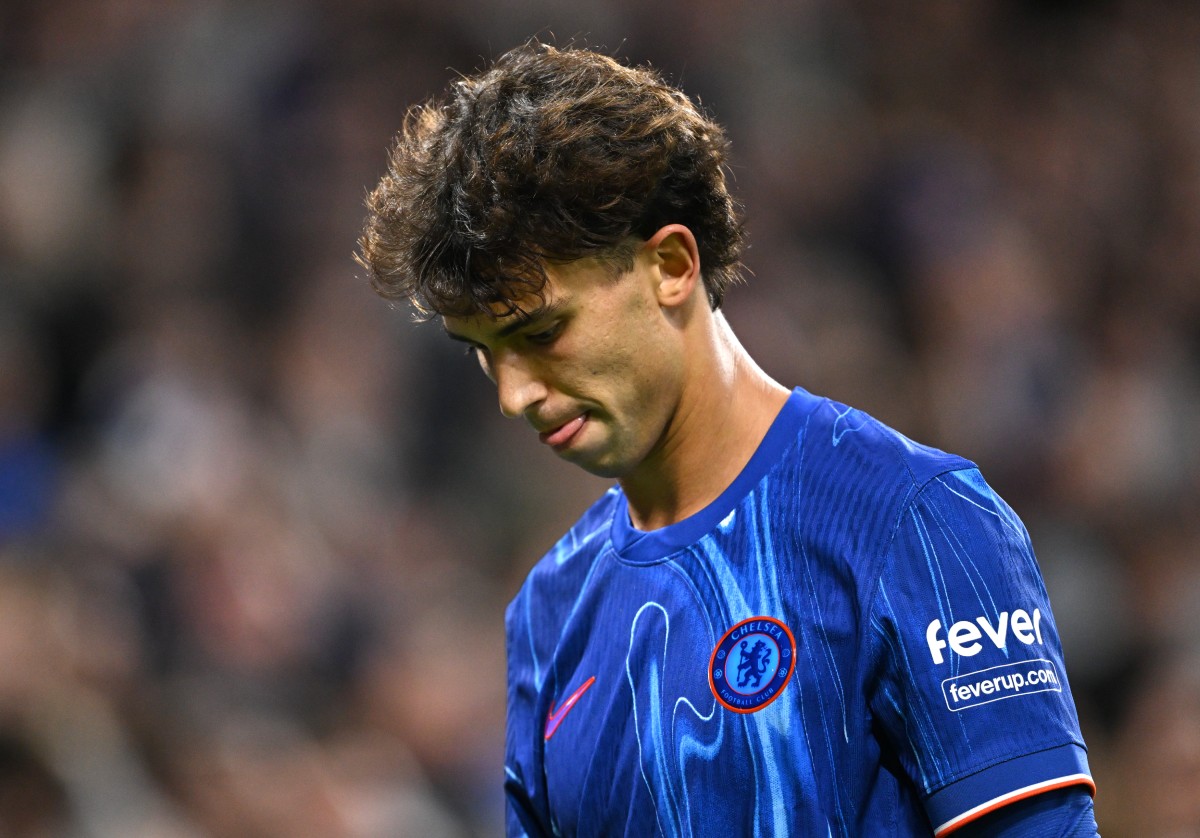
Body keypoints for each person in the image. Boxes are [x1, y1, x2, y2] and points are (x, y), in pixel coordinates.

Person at [357, 41, 1099, 837]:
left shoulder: (913, 520)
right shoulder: (548, 611)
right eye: (483, 353)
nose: (512, 395)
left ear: (672, 264)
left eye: (541, 332)